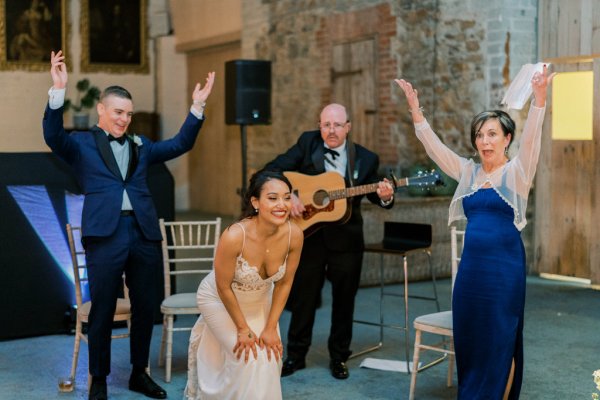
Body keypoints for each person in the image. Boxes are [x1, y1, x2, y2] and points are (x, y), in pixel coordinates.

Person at [43, 50, 215, 400]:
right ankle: (100, 380)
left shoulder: (142, 145)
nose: (124, 120)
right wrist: (58, 90)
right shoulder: (81, 145)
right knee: (103, 308)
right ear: (102, 111)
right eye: (118, 113)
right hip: (104, 235)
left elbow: (180, 143)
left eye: (129, 114)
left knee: (145, 306)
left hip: (143, 234)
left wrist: (196, 108)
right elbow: (52, 137)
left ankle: (139, 372)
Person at [395, 65, 555, 399]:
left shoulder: (517, 174)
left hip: (504, 272)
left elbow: (533, 141)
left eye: (492, 134)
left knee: (501, 338)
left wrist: (539, 100)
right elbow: (434, 148)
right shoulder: (467, 172)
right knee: (470, 336)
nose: (484, 141)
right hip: (471, 273)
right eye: (480, 135)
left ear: (507, 139)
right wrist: (415, 109)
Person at [264, 103, 395, 380]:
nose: (331, 131)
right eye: (326, 125)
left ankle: (339, 357)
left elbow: (375, 195)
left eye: (337, 125)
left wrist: (385, 195)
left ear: (348, 126)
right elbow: (273, 170)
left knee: (344, 300)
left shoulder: (366, 158)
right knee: (303, 298)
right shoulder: (306, 143)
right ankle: (296, 356)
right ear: (319, 125)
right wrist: (290, 196)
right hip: (309, 237)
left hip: (347, 240)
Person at [185, 170, 304, 400]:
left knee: (269, 358)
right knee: (247, 359)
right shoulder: (234, 236)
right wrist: (242, 328)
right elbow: (223, 287)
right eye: (273, 198)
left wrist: (270, 327)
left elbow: (285, 283)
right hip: (219, 299)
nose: (282, 205)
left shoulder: (295, 235)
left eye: (287, 197)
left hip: (260, 299)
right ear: (255, 202)